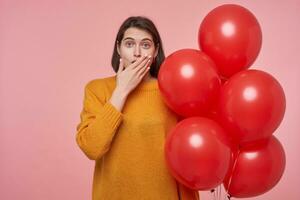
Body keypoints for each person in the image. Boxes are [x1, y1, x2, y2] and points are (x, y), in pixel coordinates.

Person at [76, 16, 200, 200]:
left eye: (145, 45)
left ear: (155, 50)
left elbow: (187, 159)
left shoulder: (172, 92)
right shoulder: (97, 89)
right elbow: (92, 148)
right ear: (118, 48)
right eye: (129, 44)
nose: (137, 53)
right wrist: (121, 90)